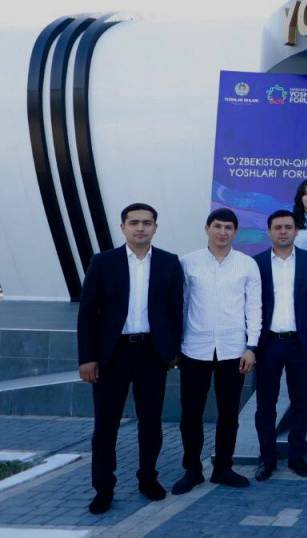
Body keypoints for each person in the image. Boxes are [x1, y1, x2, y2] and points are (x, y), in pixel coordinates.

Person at [77, 203, 184, 515]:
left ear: (155, 228)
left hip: (151, 353)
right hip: (112, 354)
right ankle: (103, 488)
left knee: (151, 423)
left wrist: (172, 350)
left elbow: (176, 310)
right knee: (105, 425)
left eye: (147, 223)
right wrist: (87, 358)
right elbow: (87, 314)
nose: (140, 228)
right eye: (134, 222)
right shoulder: (103, 262)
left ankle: (148, 478)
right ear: (122, 226)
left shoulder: (168, 262)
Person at [174, 208, 261, 494]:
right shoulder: (188, 262)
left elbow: (254, 308)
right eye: (217, 226)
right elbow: (180, 304)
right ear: (207, 228)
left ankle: (223, 467)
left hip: (233, 350)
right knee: (191, 413)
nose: (222, 232)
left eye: (228, 228)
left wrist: (251, 347)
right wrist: (176, 345)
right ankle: (192, 470)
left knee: (229, 413)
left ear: (235, 232)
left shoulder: (247, 264)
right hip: (194, 349)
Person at [253, 211, 307, 481]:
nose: (283, 231)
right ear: (269, 231)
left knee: (300, 402)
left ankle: (297, 456)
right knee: (265, 404)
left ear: (296, 231)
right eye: (278, 227)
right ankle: (267, 458)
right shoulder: (257, 263)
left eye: (288, 227)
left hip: (300, 344)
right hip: (267, 344)